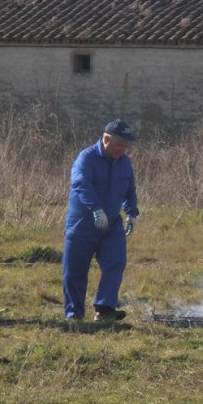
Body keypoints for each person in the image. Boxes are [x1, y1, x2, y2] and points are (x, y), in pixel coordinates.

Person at [63, 119, 139, 321]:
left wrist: (132, 214)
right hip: (82, 223)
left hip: (111, 224)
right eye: (119, 145)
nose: (123, 150)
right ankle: (74, 315)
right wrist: (96, 209)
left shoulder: (125, 163)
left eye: (126, 146)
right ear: (106, 139)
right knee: (75, 269)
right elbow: (81, 184)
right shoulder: (86, 158)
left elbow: (129, 190)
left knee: (116, 261)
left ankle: (105, 309)